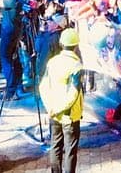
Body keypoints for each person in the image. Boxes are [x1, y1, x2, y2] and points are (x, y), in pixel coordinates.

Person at [42, 27, 84, 173]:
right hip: (69, 115)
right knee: (70, 151)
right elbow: (73, 93)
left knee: (55, 146)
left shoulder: (52, 62)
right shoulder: (76, 66)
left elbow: (43, 86)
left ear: (61, 43)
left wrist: (51, 108)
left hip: (54, 112)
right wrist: (59, 108)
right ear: (76, 45)